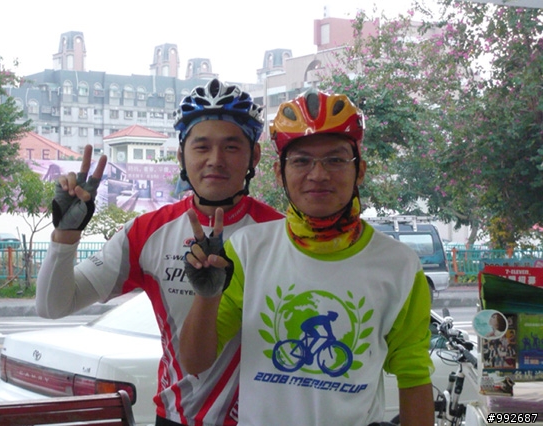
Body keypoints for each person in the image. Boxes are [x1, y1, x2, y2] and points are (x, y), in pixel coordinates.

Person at [35, 78, 283, 426]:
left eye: (231, 146)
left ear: (253, 156)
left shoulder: (282, 234)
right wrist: (65, 235)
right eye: (201, 146)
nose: (215, 160)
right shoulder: (148, 231)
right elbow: (53, 306)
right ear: (181, 155)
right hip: (175, 418)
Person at [180, 89, 435, 425]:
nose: (318, 175)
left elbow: (414, 376)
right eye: (301, 161)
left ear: (360, 171)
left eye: (335, 160)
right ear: (279, 173)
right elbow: (195, 363)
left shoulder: (399, 265)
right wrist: (206, 295)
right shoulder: (247, 249)